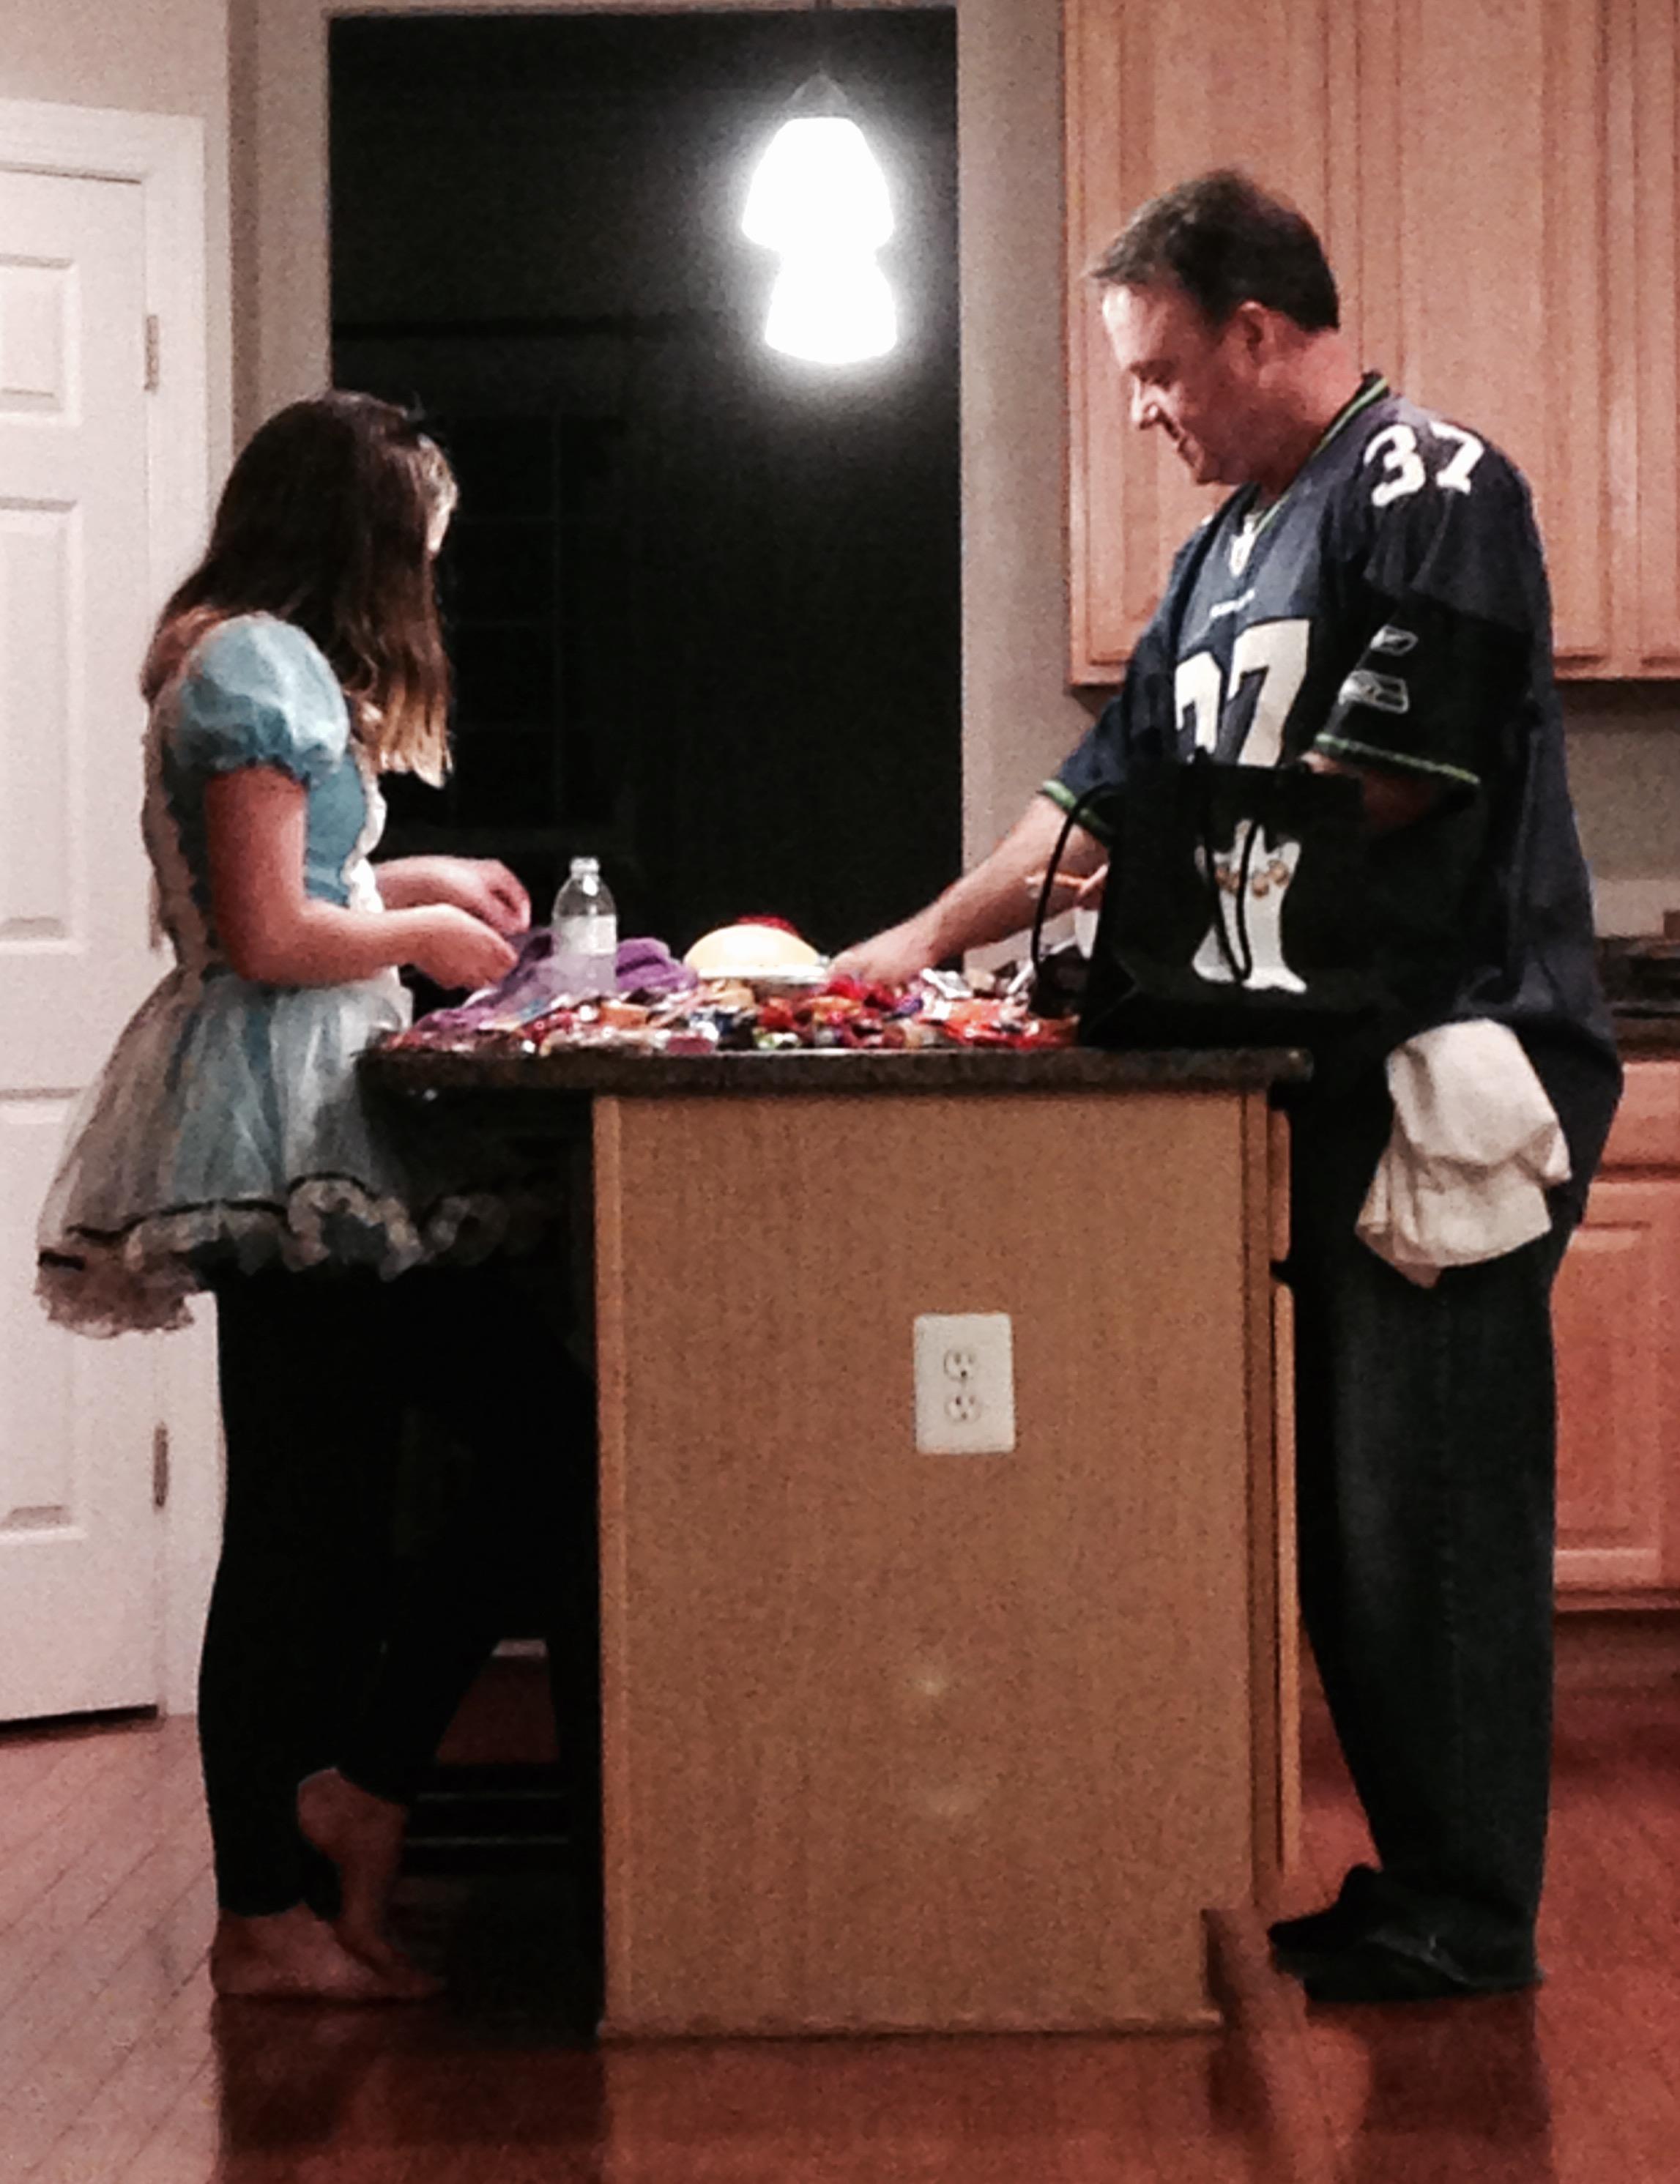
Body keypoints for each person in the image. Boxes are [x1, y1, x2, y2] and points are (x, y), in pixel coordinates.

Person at [835, 171, 1621, 2003]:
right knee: (1351, 1520)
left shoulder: (1431, 488)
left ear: (1259, 332)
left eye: (1161, 369)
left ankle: (1469, 1916)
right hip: (1306, 1077)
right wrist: (913, 942)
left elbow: (1396, 785)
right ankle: (1418, 1878)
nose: (1142, 409)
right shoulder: (1212, 559)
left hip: (1448, 1074)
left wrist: (1172, 868)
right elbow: (1094, 801)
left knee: (1431, 1507)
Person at [37, 391, 593, 2003]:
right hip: (281, 1128)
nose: (422, 572)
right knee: (311, 1519)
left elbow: (286, 886)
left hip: (304, 1121)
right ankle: (268, 1904)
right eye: (412, 541)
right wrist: (415, 940)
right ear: (357, 536)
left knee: (368, 1495)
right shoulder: (254, 665)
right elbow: (273, 938)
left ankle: (340, 1812)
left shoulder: (238, 653)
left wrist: (413, 881)